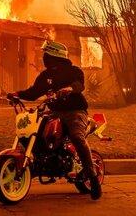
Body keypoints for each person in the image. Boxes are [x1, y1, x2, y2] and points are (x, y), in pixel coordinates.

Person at [7, 40, 102, 200]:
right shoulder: (45, 76)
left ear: (54, 56)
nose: (44, 58)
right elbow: (33, 92)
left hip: (75, 112)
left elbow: (79, 85)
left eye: (46, 55)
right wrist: (17, 94)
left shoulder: (74, 71)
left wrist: (70, 89)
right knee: (36, 132)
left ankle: (92, 177)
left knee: (77, 138)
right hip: (55, 112)